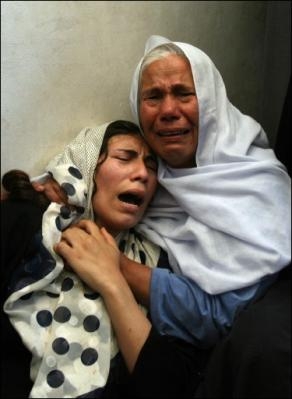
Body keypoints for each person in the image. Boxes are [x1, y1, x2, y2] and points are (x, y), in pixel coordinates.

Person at [21, 35, 291, 396]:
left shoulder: (259, 184)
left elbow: (219, 317)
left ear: (210, 103)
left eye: (183, 93)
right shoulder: (157, 173)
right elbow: (92, 162)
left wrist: (115, 267)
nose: (168, 110)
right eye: (152, 96)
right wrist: (44, 188)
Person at [2, 120, 208, 398]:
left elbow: (170, 386)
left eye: (151, 166)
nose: (143, 174)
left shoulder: (156, 265)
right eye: (125, 158)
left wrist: (113, 282)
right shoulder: (28, 224)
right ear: (87, 168)